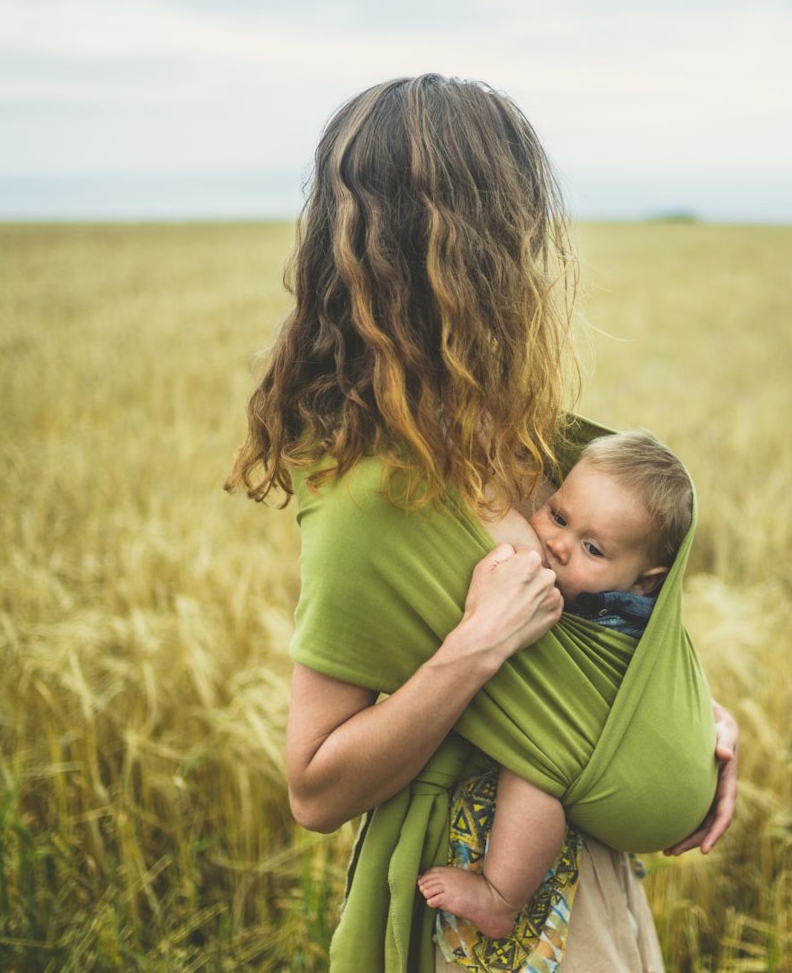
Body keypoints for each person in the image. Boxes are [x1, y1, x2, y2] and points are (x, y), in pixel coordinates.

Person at [226, 74, 739, 973]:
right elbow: (314, 785)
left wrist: (684, 718)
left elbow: (596, 640)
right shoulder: (368, 499)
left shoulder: (526, 441)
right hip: (478, 911)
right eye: (520, 228)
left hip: (594, 888)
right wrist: (475, 645)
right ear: (476, 250)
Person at [418, 430, 693, 940]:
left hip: (584, 749)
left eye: (592, 548)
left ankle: (501, 897)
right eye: (559, 516)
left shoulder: (619, 618)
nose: (557, 545)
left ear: (644, 582)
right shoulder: (587, 571)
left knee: (538, 772)